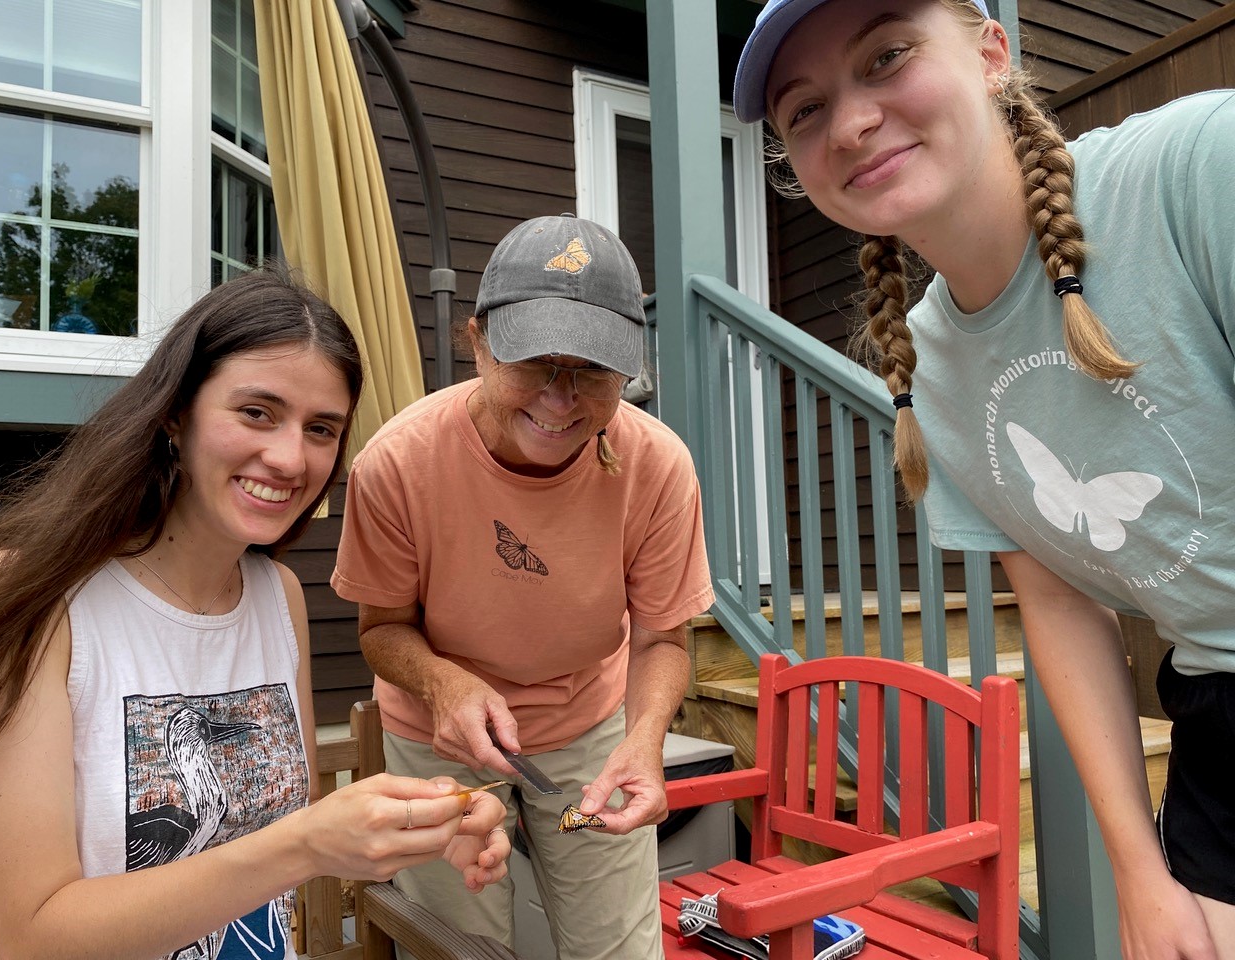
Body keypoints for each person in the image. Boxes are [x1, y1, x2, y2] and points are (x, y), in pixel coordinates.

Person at [732, 1, 1235, 958]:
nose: (849, 123)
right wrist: (1141, 874)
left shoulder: (1196, 168)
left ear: (992, 53)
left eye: (887, 56)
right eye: (804, 110)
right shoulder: (929, 373)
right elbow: (1055, 606)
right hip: (1212, 705)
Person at [0, 264, 510, 960]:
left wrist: (431, 820)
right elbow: (31, 936)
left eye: (321, 428)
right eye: (257, 412)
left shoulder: (276, 597)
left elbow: (279, 832)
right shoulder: (27, 603)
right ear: (174, 413)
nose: (288, 457)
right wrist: (305, 842)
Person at [331, 213, 715, 960]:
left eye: (594, 371)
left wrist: (644, 742)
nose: (561, 399)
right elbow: (381, 631)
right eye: (537, 362)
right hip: (440, 736)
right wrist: (444, 684)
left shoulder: (658, 464)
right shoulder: (397, 464)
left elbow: (664, 636)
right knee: (457, 946)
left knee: (621, 951)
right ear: (477, 343)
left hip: (591, 729)